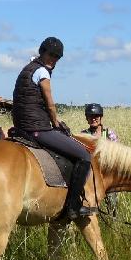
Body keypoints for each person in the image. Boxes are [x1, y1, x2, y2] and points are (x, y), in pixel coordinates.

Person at [12, 37, 94, 220]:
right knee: (84, 156)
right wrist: (56, 123)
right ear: (43, 52)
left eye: (57, 57)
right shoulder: (42, 72)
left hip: (22, 126)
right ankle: (73, 207)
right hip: (37, 128)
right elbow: (50, 104)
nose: (54, 59)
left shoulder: (27, 69)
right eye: (51, 54)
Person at [84, 103, 120, 217]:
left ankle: (113, 224)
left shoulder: (109, 134)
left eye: (96, 116)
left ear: (101, 117)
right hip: (90, 177)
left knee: (112, 205)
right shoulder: (83, 134)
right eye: (90, 116)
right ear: (87, 118)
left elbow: (117, 154)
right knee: (91, 205)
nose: (93, 118)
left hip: (107, 175)